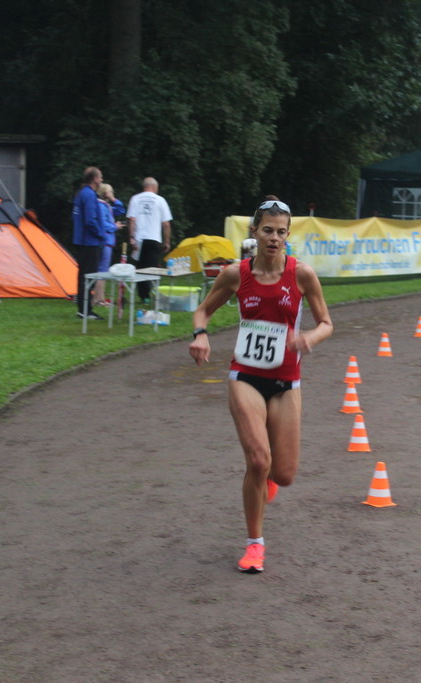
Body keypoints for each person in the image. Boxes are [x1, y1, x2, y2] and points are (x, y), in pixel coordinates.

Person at [189, 196, 333, 573]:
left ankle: (267, 477)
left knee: (283, 474)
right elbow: (202, 310)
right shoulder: (236, 274)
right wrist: (201, 335)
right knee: (257, 459)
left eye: (281, 232)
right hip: (246, 376)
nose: (274, 238)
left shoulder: (302, 275)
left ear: (288, 235)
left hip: (286, 381)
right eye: (267, 230)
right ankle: (255, 545)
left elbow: (326, 323)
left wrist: (309, 338)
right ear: (254, 232)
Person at [126, 177, 173, 302]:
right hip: (154, 238)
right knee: (152, 268)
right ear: (155, 187)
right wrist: (167, 241)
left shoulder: (135, 199)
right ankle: (153, 294)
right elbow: (166, 224)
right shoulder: (160, 200)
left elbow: (132, 220)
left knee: (140, 268)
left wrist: (132, 237)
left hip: (139, 239)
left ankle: (144, 296)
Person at [73, 166, 106, 320]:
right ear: (94, 179)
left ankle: (83, 309)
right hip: (89, 242)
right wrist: (101, 234)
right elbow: (90, 220)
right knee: (89, 277)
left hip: (81, 240)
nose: (102, 180)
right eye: (100, 177)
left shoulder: (81, 193)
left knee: (83, 276)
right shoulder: (89, 195)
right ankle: (86, 310)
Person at [92, 183, 125, 306]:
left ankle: (100, 297)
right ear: (105, 193)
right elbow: (103, 224)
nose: (112, 194)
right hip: (105, 241)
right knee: (102, 271)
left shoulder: (107, 206)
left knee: (103, 270)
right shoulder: (101, 206)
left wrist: (114, 200)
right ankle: (98, 299)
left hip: (109, 242)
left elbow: (121, 210)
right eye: (110, 192)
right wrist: (114, 226)